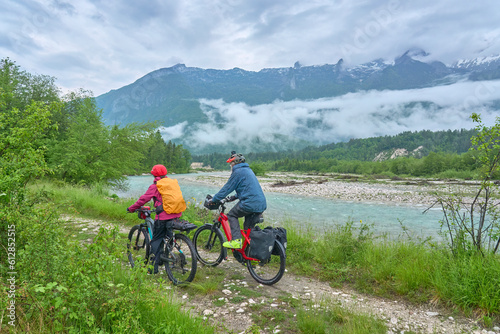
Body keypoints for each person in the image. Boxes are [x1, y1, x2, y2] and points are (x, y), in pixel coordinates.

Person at [127, 164, 182, 274]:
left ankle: (153, 267)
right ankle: (168, 254)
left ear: (153, 174)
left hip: (163, 217)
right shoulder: (172, 183)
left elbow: (143, 199)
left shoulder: (155, 186)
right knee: (168, 236)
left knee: (156, 240)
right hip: (176, 214)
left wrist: (132, 208)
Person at [210, 152, 267, 249]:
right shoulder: (248, 170)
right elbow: (246, 189)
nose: (230, 166)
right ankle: (251, 253)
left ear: (235, 163)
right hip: (260, 204)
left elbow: (226, 189)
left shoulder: (238, 172)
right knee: (248, 230)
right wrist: (233, 198)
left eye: (231, 164)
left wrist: (214, 199)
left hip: (249, 204)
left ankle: (236, 241)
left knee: (232, 215)